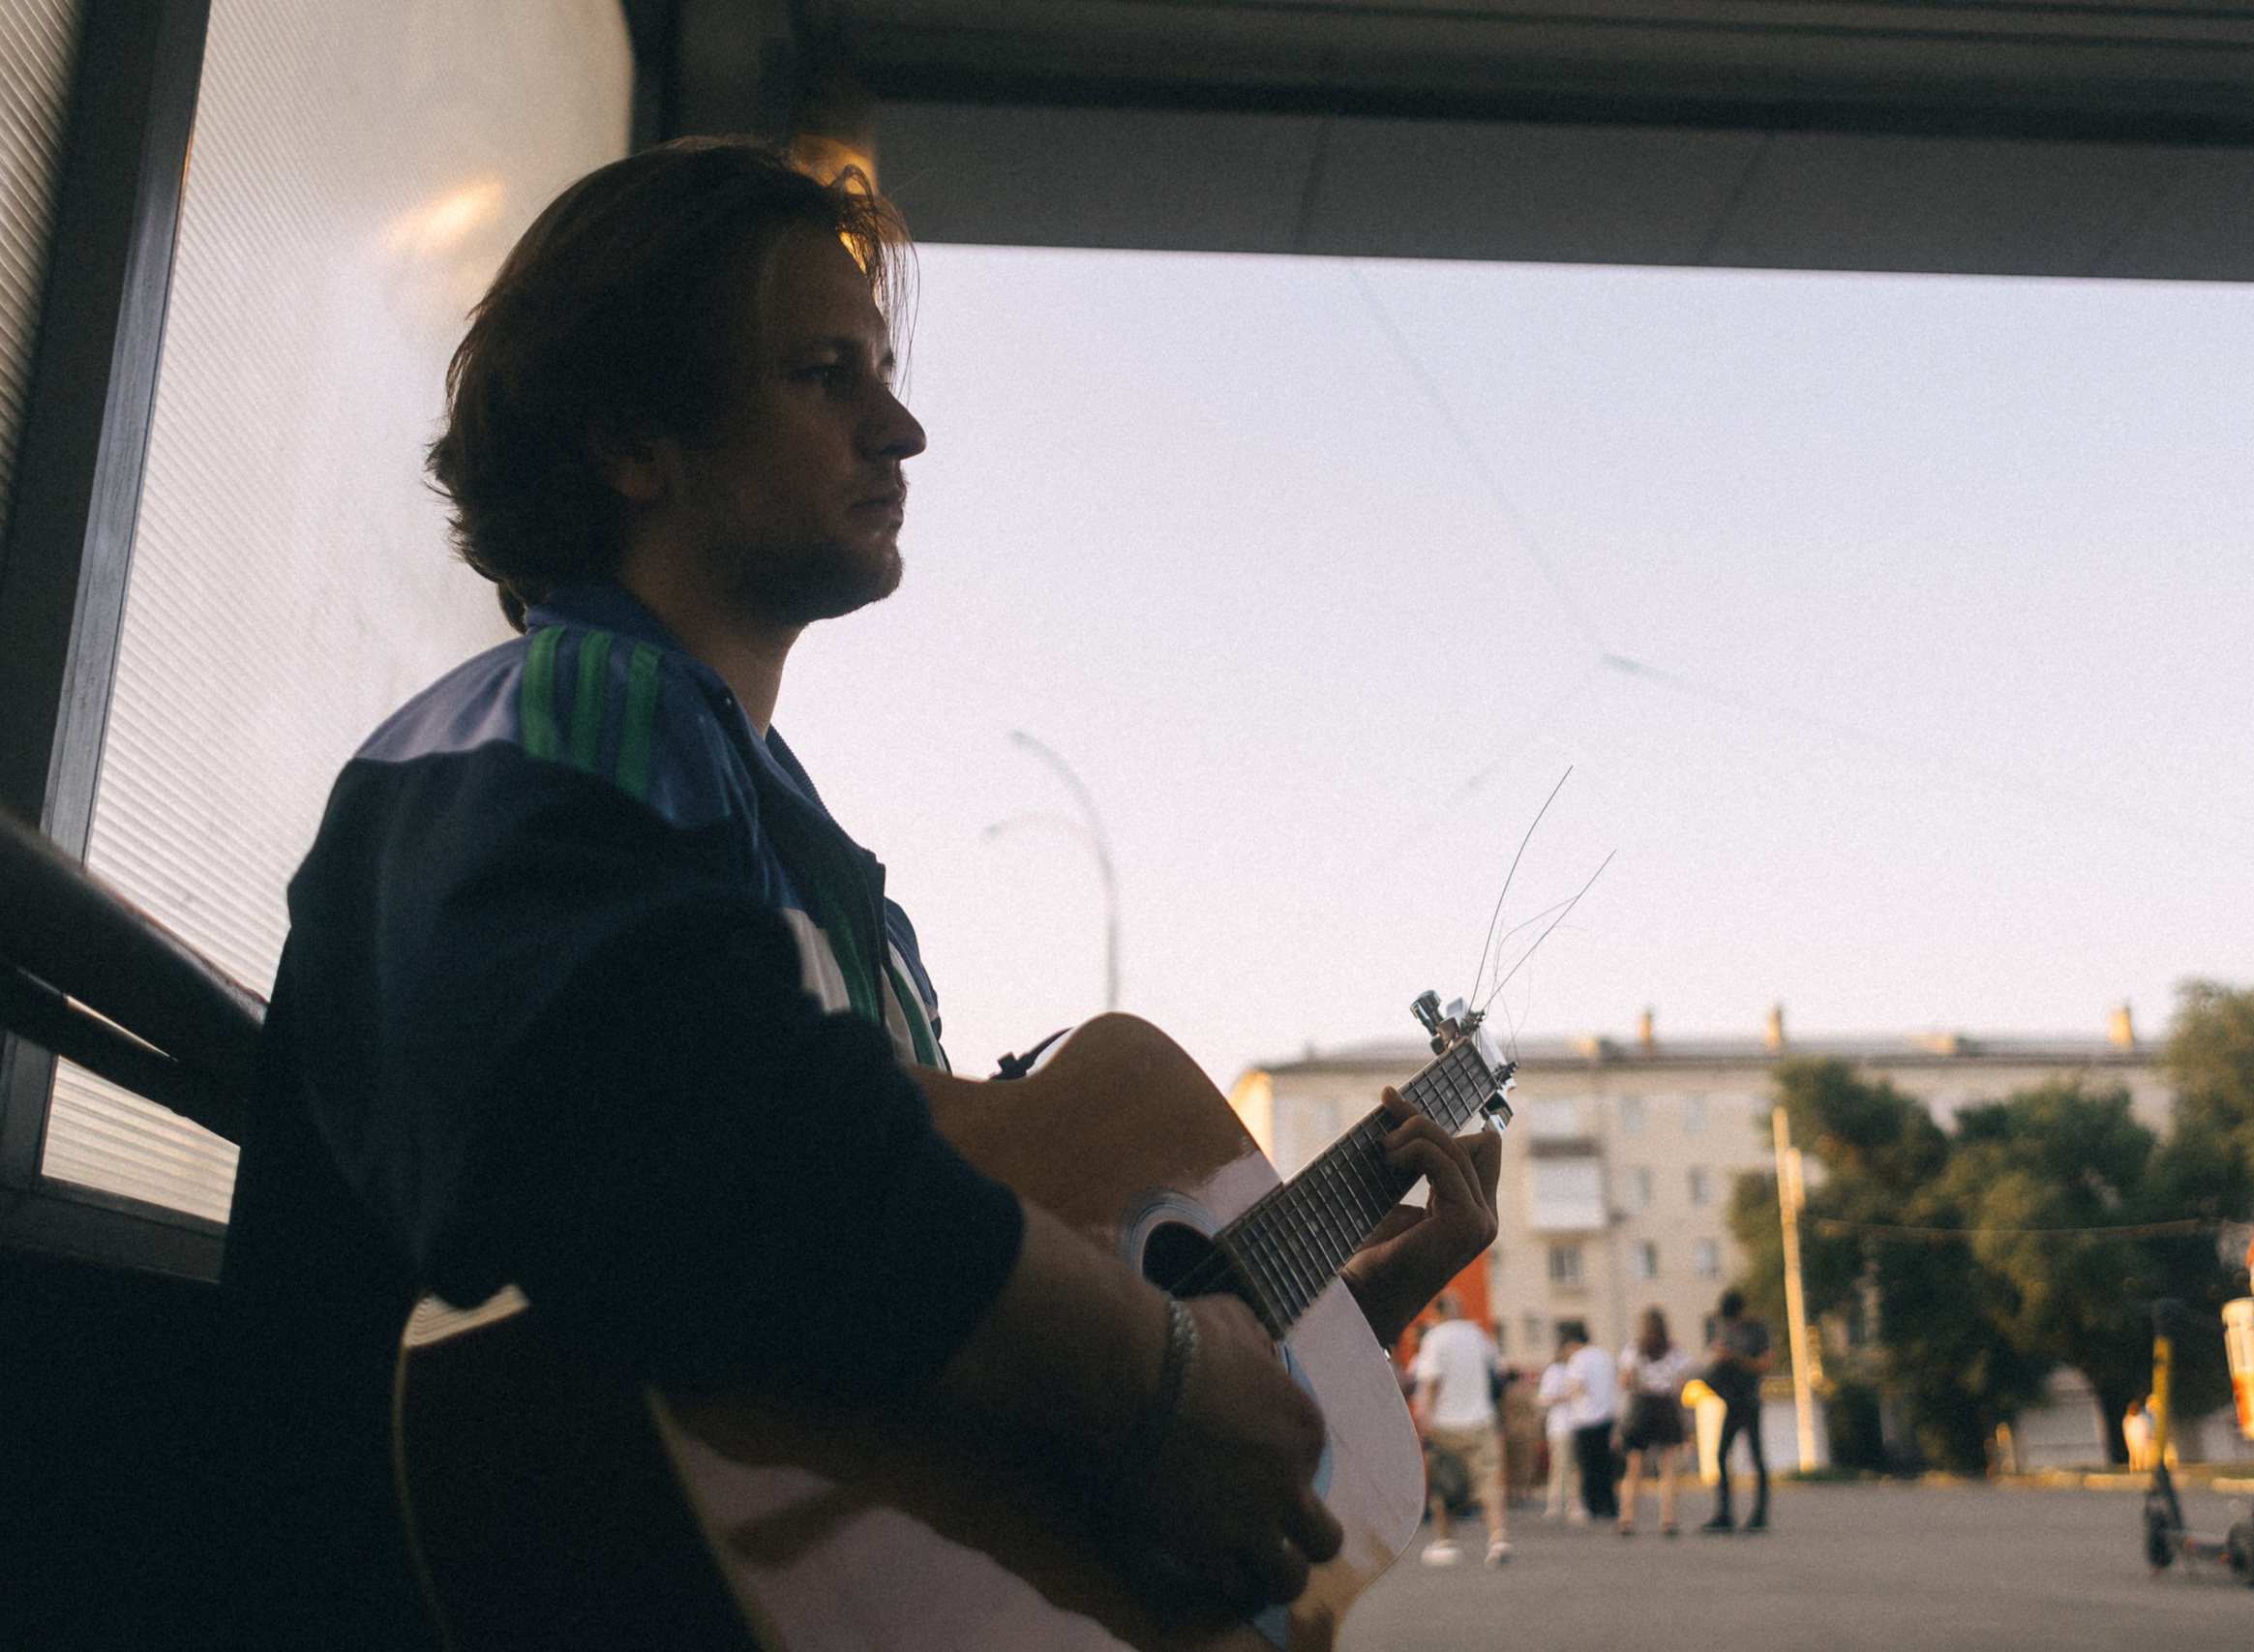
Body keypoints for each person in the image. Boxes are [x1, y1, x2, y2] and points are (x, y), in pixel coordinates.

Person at [213, 138, 1504, 1647]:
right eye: (827, 373)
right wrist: (1157, 1375)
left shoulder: (832, 895)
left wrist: (1324, 1316)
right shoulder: (556, 721)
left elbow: (913, 1419)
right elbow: (671, 1123)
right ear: (633, 435)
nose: (903, 427)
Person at [1411, 1292, 1512, 1568]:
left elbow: (1431, 1383)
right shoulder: (1478, 1335)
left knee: (1444, 1486)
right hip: (1481, 1420)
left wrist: (1425, 1423)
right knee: (1489, 1482)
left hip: (1446, 1423)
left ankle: (1446, 1542)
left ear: (1437, 1313)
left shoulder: (1434, 1339)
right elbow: (1497, 1375)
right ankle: (1498, 1539)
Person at [1698, 1290, 1773, 1534]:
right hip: (1731, 1399)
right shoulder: (1726, 1328)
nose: (1729, 1323)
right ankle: (1724, 1514)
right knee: (1721, 1455)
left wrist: (1736, 1357)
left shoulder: (1758, 1329)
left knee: (1756, 1457)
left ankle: (1759, 1514)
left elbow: (1764, 1365)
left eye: (1732, 1318)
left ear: (1741, 1312)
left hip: (1749, 1399)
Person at [1616, 1307, 1692, 1537]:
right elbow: (1681, 1386)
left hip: (1641, 1407)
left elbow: (1624, 1381)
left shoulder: (1633, 1350)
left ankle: (1627, 1519)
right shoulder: (1676, 1353)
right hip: (1666, 1408)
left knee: (1635, 1467)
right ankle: (1668, 1520)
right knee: (1669, 1467)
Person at [1560, 1321, 1620, 1521]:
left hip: (1585, 1418)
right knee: (1605, 1464)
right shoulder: (1603, 1355)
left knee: (1587, 1466)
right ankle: (1609, 1505)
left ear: (1572, 1342)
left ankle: (1592, 1506)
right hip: (1606, 1416)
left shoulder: (1578, 1359)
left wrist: (1566, 1396)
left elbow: (1577, 1388)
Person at [1535, 1347, 1578, 1522]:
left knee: (1575, 1467)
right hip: (1560, 1426)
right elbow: (1544, 1398)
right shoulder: (1554, 1371)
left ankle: (1573, 1502)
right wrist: (1567, 1396)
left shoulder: (1577, 1367)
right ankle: (1555, 1503)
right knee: (1560, 1465)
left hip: (1577, 1423)